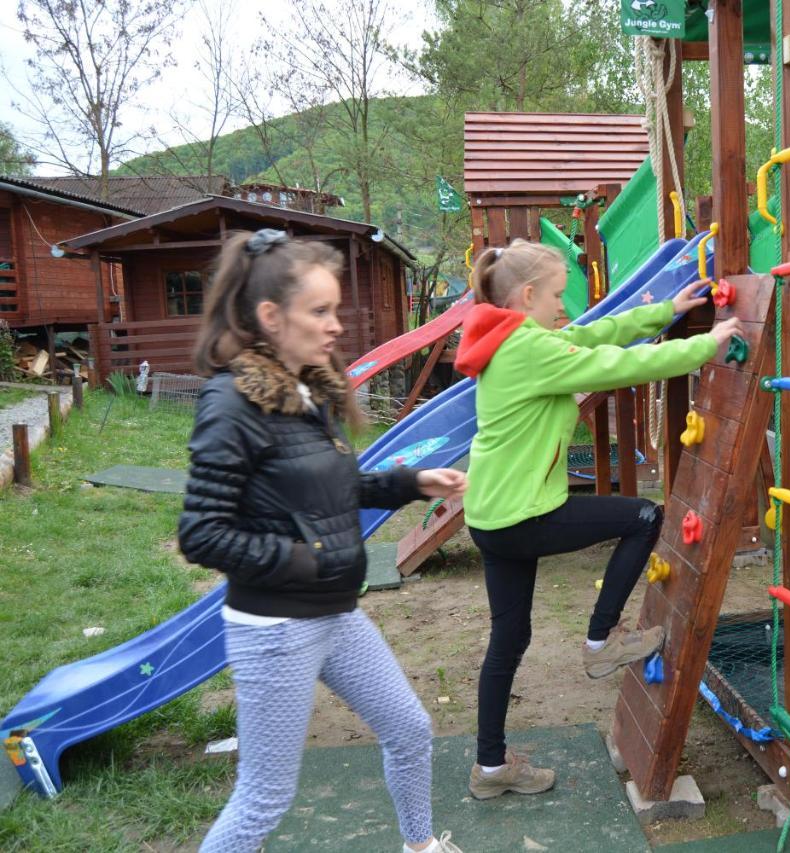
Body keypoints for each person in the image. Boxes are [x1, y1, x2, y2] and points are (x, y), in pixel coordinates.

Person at [178, 229, 465, 853]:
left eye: (334, 309)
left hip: (334, 613)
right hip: (277, 627)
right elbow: (201, 533)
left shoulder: (305, 392)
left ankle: (420, 846)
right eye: (320, 311)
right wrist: (304, 561)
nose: (336, 326)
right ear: (271, 317)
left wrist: (412, 482)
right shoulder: (231, 403)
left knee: (410, 729)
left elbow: (328, 488)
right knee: (264, 798)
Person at [454, 240, 741, 799]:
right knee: (642, 516)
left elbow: (594, 335)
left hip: (491, 514)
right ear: (529, 295)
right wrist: (705, 345)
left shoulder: (514, 339)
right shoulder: (528, 351)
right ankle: (600, 642)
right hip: (520, 513)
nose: (564, 306)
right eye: (558, 295)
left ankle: (490, 768)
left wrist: (667, 312)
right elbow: (618, 364)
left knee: (509, 637)